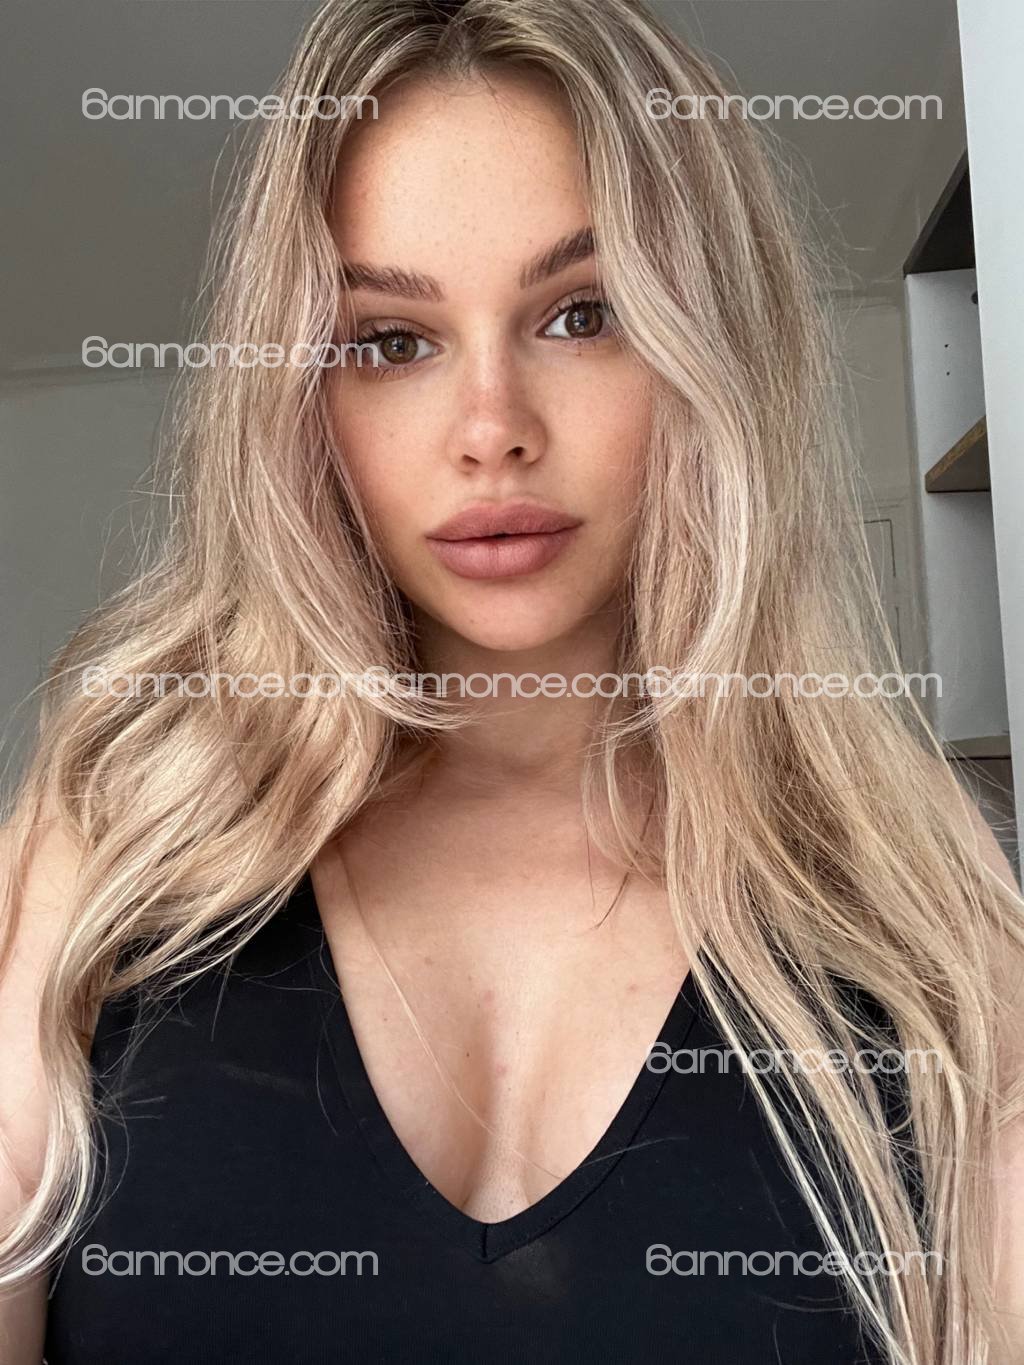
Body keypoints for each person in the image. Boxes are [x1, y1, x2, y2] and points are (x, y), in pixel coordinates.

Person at [2, 1, 1022, 1362]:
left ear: (711, 347)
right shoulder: (117, 834)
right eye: (390, 340)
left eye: (583, 315)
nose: (492, 429)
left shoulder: (922, 910)